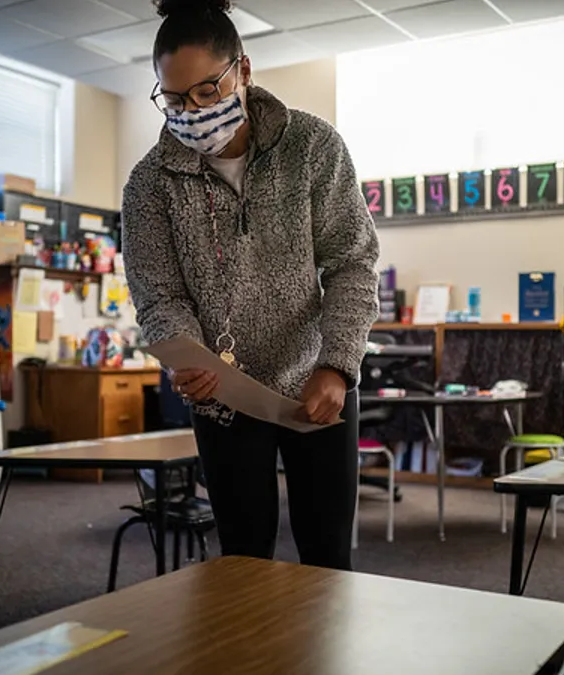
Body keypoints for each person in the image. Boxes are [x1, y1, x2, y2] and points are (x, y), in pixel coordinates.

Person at [121, 0, 379, 571]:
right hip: (225, 397)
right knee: (243, 560)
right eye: (174, 98)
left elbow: (352, 263)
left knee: (327, 556)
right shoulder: (149, 184)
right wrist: (184, 356)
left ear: (243, 70)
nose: (192, 111)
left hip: (318, 385)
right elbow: (159, 294)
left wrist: (336, 365)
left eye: (207, 91)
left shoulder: (313, 147)